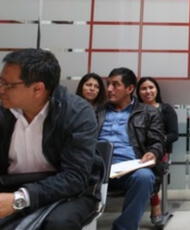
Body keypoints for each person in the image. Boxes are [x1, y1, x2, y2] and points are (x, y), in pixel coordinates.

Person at [0, 49, 102, 229]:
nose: (1, 89)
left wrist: (21, 198)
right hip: (10, 184)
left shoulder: (77, 113)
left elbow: (75, 176)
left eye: (8, 85)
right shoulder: (4, 109)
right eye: (1, 81)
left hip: (68, 189)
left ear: (37, 89)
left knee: (58, 224)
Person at [96, 67, 164, 230]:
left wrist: (152, 152)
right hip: (97, 165)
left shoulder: (148, 112)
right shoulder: (96, 111)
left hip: (129, 167)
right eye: (108, 84)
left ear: (130, 88)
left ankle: (124, 227)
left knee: (145, 177)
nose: (109, 89)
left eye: (115, 85)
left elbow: (158, 141)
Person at [136, 76, 178, 226]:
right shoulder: (134, 110)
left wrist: (156, 145)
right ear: (138, 92)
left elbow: (174, 134)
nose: (148, 91)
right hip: (137, 152)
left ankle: (155, 208)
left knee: (152, 168)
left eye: (151, 87)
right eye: (143, 88)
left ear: (157, 90)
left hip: (160, 153)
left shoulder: (166, 109)